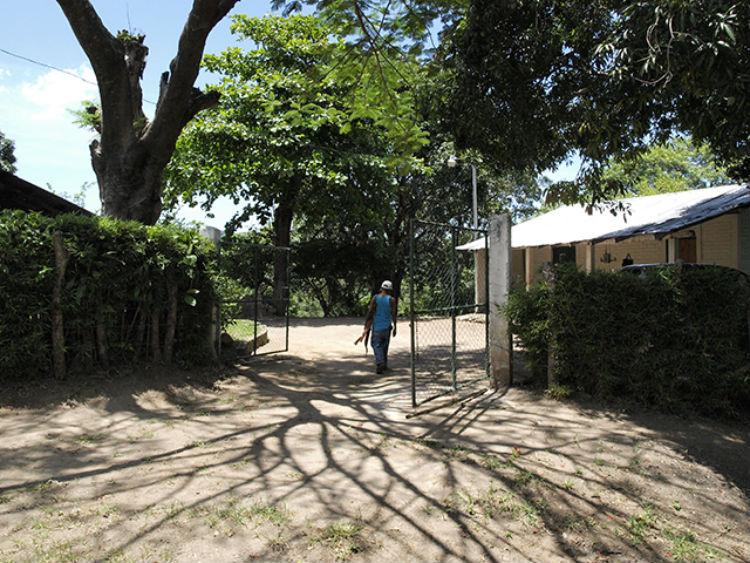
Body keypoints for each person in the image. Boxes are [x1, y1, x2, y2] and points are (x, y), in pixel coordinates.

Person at [355, 280, 397, 373]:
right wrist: (395, 327)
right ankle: (384, 365)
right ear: (390, 290)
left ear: (381, 288)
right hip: (387, 328)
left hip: (377, 327)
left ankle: (380, 363)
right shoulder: (392, 300)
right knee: (384, 346)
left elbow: (370, 312)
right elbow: (394, 314)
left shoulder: (375, 298)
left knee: (376, 345)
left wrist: (366, 326)